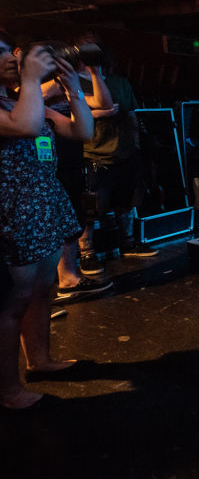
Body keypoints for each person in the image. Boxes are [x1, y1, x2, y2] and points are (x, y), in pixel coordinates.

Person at [0, 31, 93, 410]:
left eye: (8, 50)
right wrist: (31, 81)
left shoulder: (19, 99)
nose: (8, 56)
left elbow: (82, 130)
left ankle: (40, 360)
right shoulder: (17, 104)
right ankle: (7, 390)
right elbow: (24, 126)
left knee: (43, 289)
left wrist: (72, 90)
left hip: (44, 204)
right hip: (13, 210)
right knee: (13, 300)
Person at [42, 35, 115, 302]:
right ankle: (62, 278)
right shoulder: (32, 86)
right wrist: (56, 78)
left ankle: (68, 277)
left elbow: (104, 103)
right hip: (46, 163)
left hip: (71, 157)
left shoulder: (69, 83)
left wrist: (94, 72)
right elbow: (35, 99)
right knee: (54, 220)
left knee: (73, 215)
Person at [78, 35, 158, 272]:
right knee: (91, 207)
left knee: (127, 201)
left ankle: (128, 243)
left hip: (123, 152)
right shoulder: (76, 84)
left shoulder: (120, 83)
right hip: (92, 155)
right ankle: (86, 253)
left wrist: (135, 145)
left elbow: (131, 113)